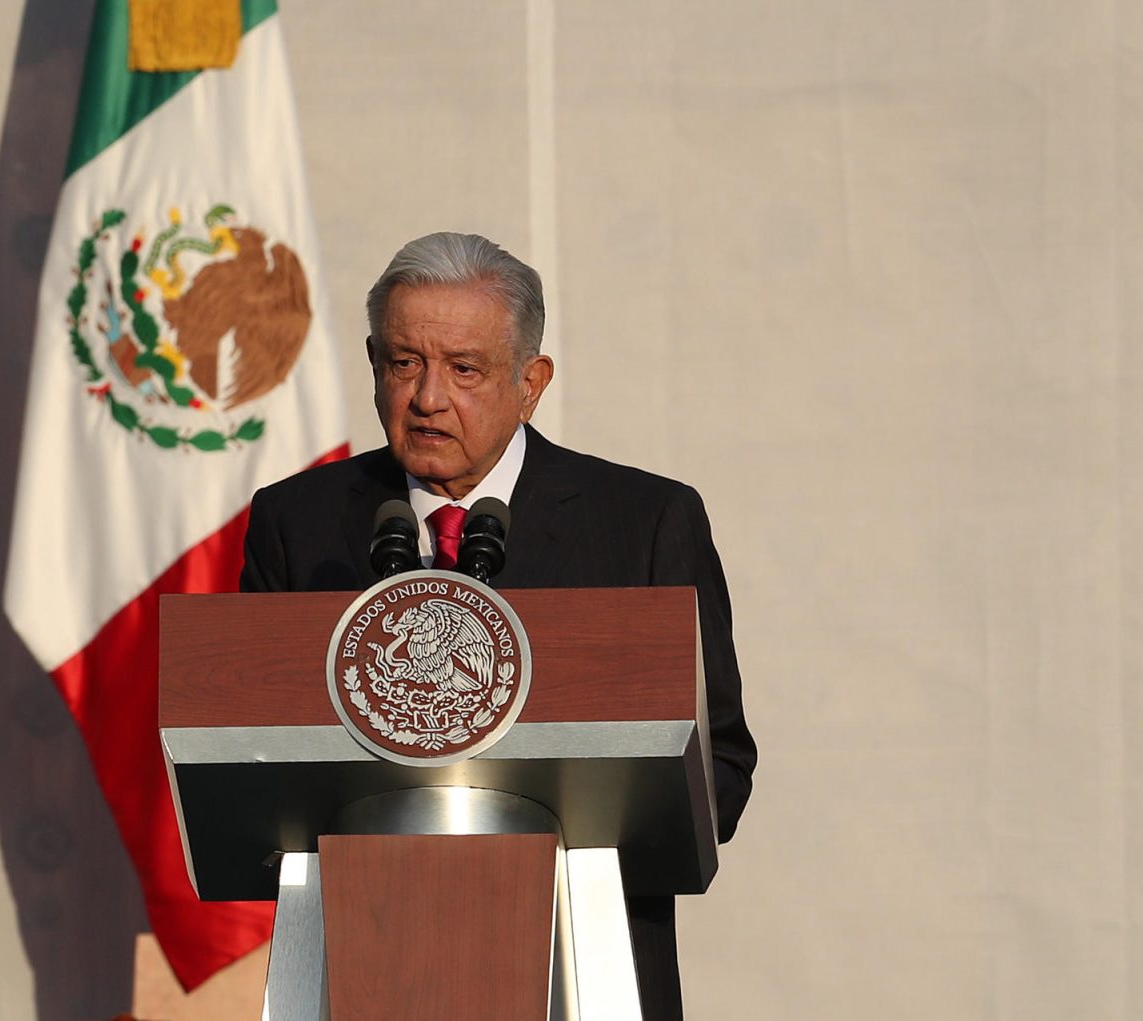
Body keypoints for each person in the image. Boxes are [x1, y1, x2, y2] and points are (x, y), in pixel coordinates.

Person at [240, 231, 756, 1018]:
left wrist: (580, 841)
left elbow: (719, 759)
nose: (427, 396)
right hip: (364, 961)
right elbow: (249, 747)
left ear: (531, 381)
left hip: (580, 959)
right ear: (373, 362)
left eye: (464, 368)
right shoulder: (298, 523)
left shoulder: (643, 522)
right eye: (403, 362)